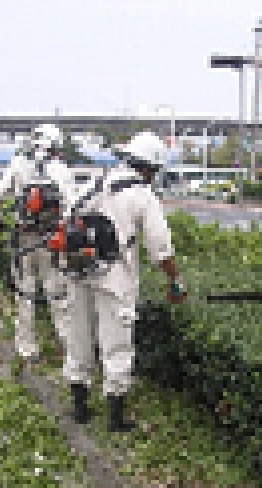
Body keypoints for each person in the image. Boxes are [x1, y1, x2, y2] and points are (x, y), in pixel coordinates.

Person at [61, 131, 186, 432]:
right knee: (116, 344)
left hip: (78, 270)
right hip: (114, 278)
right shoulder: (142, 194)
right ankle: (115, 418)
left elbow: (67, 218)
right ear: (150, 167)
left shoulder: (95, 182)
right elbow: (160, 247)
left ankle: (79, 408)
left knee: (78, 336)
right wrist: (175, 280)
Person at [0, 124, 75, 363]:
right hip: (52, 241)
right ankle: (69, 350)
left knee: (25, 294)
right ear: (56, 145)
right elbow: (72, 206)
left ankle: (28, 349)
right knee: (58, 296)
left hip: (23, 238)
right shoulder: (61, 170)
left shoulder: (18, 164)